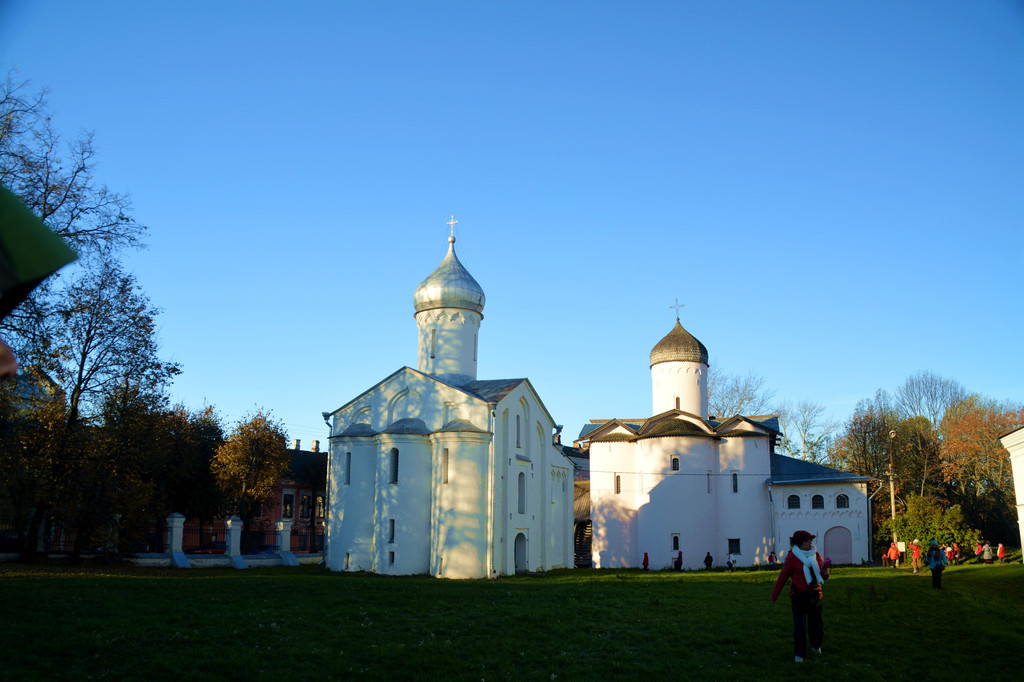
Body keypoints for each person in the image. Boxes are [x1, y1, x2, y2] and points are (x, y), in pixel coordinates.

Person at [770, 530, 831, 663]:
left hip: (815, 595)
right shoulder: (792, 558)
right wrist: (774, 595)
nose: (810, 543)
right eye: (807, 541)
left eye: (811, 541)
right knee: (799, 627)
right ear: (799, 544)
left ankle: (816, 646)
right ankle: (799, 654)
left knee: (816, 624)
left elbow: (823, 575)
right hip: (798, 596)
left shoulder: (816, 555)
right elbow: (783, 577)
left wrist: (825, 572)